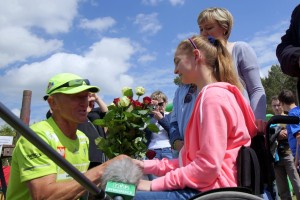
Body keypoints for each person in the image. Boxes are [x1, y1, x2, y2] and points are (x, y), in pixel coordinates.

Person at [132, 35, 257, 199]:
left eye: (177, 62)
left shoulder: (213, 98)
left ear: (197, 56)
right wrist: (144, 165)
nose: (175, 71)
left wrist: (152, 184)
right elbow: (190, 163)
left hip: (211, 191)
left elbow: (207, 168)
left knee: (127, 196)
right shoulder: (216, 95)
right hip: (210, 187)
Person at [6, 73, 125, 200]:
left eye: (85, 97)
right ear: (53, 103)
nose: (83, 103)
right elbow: (44, 196)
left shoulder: (82, 138)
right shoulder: (37, 138)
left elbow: (82, 190)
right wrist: (105, 169)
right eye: (75, 97)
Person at [197, 7, 266, 120]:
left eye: (209, 28)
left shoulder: (240, 49)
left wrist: (257, 120)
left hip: (242, 124)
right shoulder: (202, 60)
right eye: (201, 29)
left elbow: (256, 89)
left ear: (225, 28)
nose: (203, 33)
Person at [270, 96, 300, 200]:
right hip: (276, 158)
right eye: (274, 106)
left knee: (297, 183)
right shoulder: (271, 121)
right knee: (283, 191)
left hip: (290, 155)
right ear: (271, 107)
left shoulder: (289, 117)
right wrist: (276, 134)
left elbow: (296, 135)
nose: (277, 108)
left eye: (278, 105)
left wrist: (287, 133)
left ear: (282, 105)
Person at [145, 90, 172, 161]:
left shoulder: (170, 115)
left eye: (160, 104)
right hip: (152, 150)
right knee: (150, 172)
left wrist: (161, 119)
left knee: (171, 172)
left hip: (168, 149)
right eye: (155, 105)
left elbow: (172, 131)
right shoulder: (148, 117)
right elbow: (145, 133)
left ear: (165, 103)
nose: (158, 107)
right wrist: (152, 115)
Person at [278, 89, 300, 168]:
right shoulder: (298, 110)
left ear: (283, 103)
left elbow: (298, 136)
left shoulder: (292, 114)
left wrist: (296, 160)